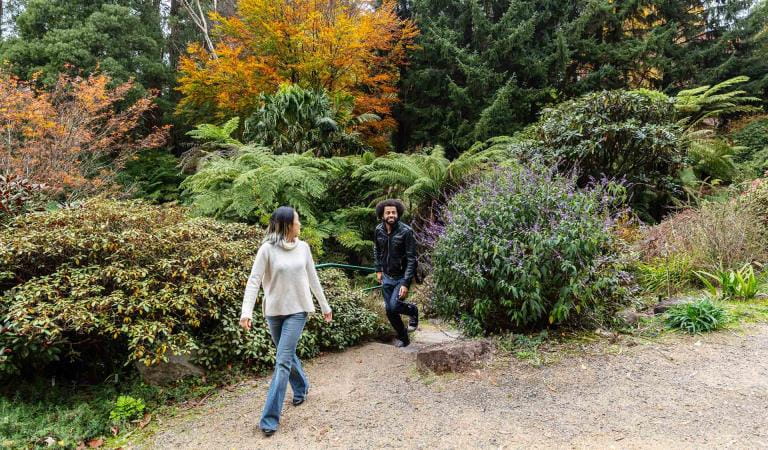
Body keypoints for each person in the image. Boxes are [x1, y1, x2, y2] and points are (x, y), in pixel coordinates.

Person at [239, 206, 332, 437]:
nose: (300, 225)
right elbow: (254, 281)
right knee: (286, 355)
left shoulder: (303, 248)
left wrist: (324, 305)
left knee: (281, 361)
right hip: (274, 312)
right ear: (287, 225)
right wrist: (246, 311)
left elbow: (313, 278)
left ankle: (269, 419)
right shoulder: (267, 250)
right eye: (298, 221)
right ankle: (301, 386)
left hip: (298, 310)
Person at [373, 199, 419, 347]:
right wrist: (378, 269)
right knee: (389, 311)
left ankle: (413, 310)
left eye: (394, 212)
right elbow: (377, 250)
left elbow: (412, 259)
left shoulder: (406, 231)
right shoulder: (378, 230)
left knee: (394, 306)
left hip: (401, 276)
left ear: (398, 214)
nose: (391, 215)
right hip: (386, 276)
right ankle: (404, 338)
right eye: (388, 212)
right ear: (382, 215)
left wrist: (406, 282)